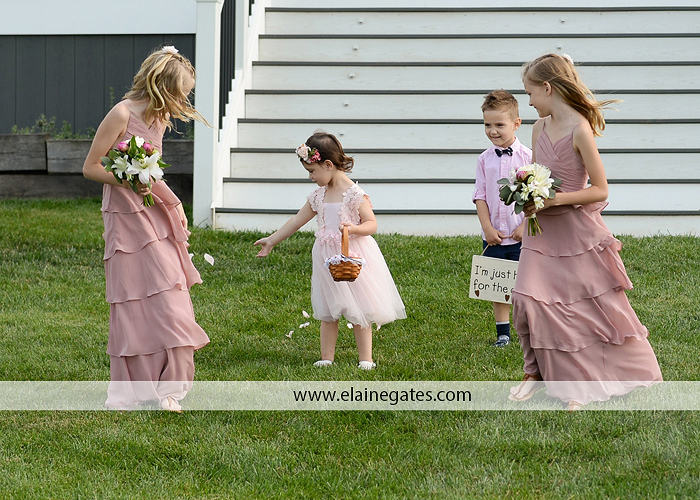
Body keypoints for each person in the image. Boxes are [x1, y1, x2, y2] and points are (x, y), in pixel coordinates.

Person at [509, 53, 662, 410]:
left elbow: (600, 190)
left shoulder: (580, 130)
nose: (528, 102)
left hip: (575, 233)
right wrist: (529, 201)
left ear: (548, 88)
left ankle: (578, 386)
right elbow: (536, 177)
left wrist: (556, 199)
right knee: (525, 300)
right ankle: (533, 372)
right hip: (540, 231)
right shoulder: (538, 128)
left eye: (530, 93)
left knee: (578, 311)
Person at [83, 46, 210, 412]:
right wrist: (128, 181)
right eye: (180, 93)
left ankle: (170, 389)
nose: (183, 102)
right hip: (125, 218)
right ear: (161, 86)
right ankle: (136, 390)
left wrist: (174, 204)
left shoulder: (160, 116)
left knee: (172, 295)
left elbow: (153, 171)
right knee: (133, 300)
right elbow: (91, 167)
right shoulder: (121, 114)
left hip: (154, 211)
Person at [254, 132, 406, 369]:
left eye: (312, 171)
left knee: (361, 307)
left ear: (327, 165)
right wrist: (272, 240)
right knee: (328, 309)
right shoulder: (318, 196)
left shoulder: (355, 194)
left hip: (352, 256)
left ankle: (366, 358)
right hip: (326, 259)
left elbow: (371, 224)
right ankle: (327, 357)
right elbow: (297, 221)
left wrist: (354, 228)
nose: (310, 177)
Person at [472, 89, 530, 348]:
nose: (492, 131)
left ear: (516, 124)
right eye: (487, 125)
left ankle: (529, 330)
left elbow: (536, 196)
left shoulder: (529, 157)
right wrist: (487, 227)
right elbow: (480, 196)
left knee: (526, 286)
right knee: (498, 286)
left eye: (499, 125)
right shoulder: (484, 160)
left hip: (522, 236)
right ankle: (503, 333)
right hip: (495, 236)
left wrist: (526, 225)